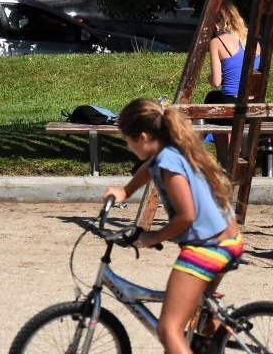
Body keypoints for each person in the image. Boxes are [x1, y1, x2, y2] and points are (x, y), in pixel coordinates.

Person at [102, 98, 243, 354]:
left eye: (127, 139)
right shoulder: (170, 150)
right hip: (227, 241)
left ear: (143, 137)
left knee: (169, 330)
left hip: (208, 248)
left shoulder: (168, 162)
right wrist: (125, 190)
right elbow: (149, 168)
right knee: (194, 321)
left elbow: (186, 216)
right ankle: (213, 334)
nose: (127, 144)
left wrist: (153, 237)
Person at [205, 1, 261, 167]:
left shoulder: (217, 42)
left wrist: (210, 78)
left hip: (231, 106)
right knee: (216, 99)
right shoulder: (254, 42)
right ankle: (242, 159)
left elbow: (216, 82)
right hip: (253, 106)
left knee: (211, 98)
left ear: (217, 23)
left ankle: (223, 157)